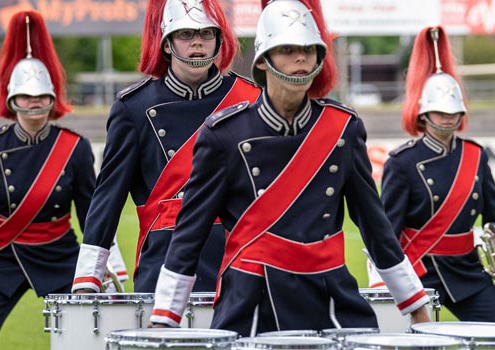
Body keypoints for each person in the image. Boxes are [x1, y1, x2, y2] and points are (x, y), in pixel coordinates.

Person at [149, 0, 431, 336]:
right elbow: (191, 230)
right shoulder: (225, 134)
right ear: (264, 61)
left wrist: (415, 305)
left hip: (329, 294)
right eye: (287, 50)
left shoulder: (343, 129)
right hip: (251, 297)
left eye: (308, 50)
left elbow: (374, 223)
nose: (300, 59)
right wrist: (165, 315)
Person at [0, 11, 125, 350]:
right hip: (2, 254)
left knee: (89, 338)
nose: (34, 102)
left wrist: (108, 265)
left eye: (41, 96)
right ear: (12, 101)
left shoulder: (75, 147)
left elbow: (92, 211)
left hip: (61, 254)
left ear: (53, 100)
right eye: (26, 97)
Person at [71, 0, 260, 294]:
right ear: (167, 43)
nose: (197, 42)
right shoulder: (134, 107)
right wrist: (88, 276)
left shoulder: (251, 98)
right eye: (185, 34)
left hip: (240, 257)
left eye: (207, 34)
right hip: (165, 259)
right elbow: (108, 197)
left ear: (219, 40)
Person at [374, 26, 495, 323]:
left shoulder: (475, 156)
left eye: (453, 111)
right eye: (440, 110)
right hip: (418, 272)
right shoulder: (403, 162)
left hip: (467, 272)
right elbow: (386, 231)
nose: (448, 116)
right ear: (424, 114)